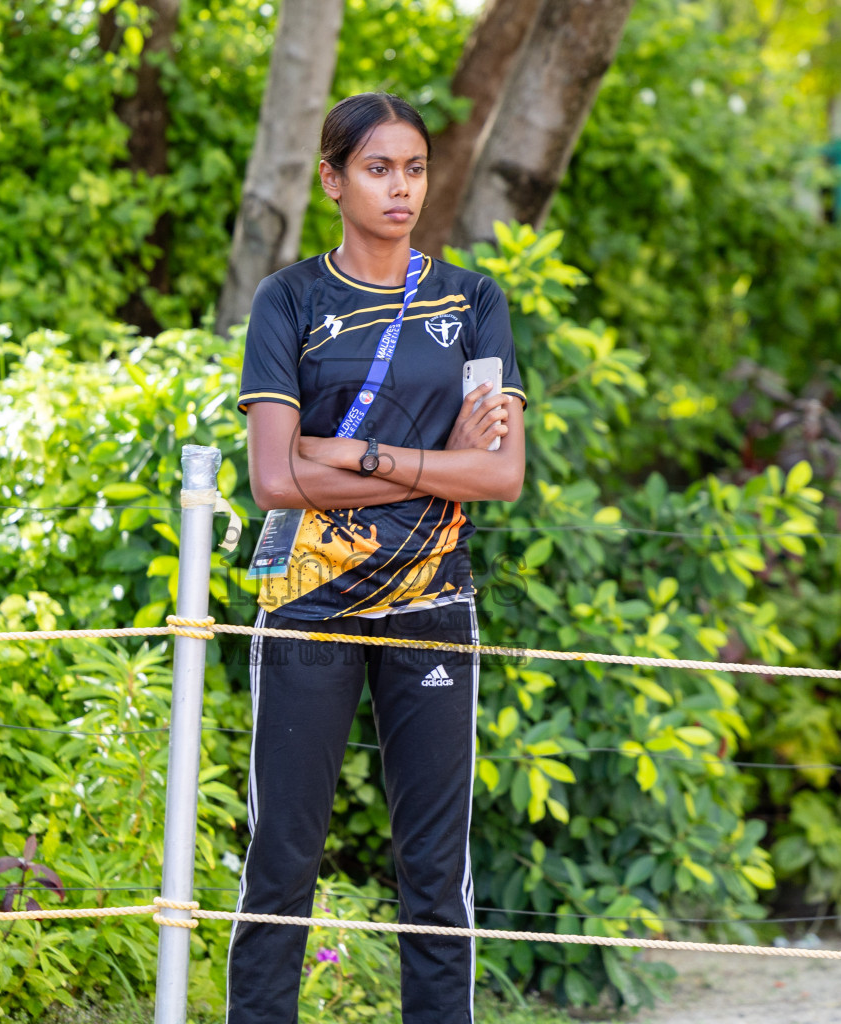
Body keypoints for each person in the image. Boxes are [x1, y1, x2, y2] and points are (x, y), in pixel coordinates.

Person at [230, 91, 527, 1024]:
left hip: (433, 607)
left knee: (436, 876)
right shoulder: (290, 301)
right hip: (307, 605)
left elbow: (503, 472)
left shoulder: (473, 301)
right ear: (332, 178)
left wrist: (349, 454)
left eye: (415, 169)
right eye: (377, 168)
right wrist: (440, 472)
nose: (401, 188)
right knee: (282, 859)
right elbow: (274, 483)